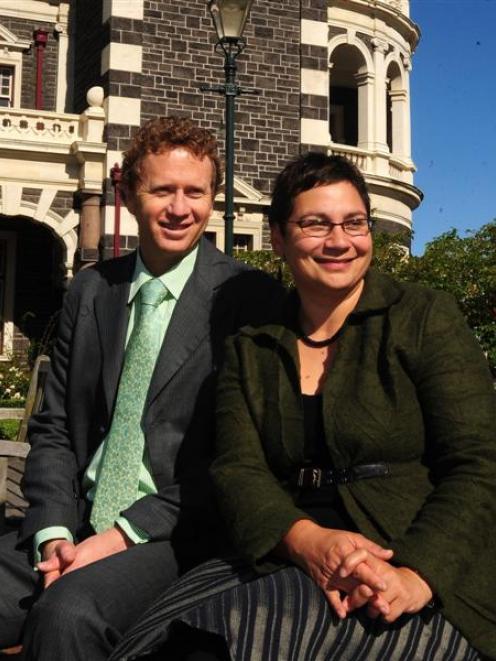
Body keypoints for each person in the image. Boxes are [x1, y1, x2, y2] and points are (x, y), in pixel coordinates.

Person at [110, 153, 496, 661]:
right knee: (163, 644)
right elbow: (237, 469)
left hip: (409, 557)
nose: (339, 241)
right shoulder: (253, 346)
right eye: (315, 224)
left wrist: (416, 574)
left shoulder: (422, 319)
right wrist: (305, 540)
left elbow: (479, 462)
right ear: (278, 237)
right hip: (285, 555)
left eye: (354, 223)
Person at [0, 116, 281, 660]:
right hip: (74, 518)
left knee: (67, 615)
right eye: (163, 190)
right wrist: (54, 529)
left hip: (174, 533)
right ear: (127, 193)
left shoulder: (248, 300)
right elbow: (54, 427)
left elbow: (238, 456)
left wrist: (121, 535)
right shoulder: (90, 291)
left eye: (195, 192)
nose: (180, 208)